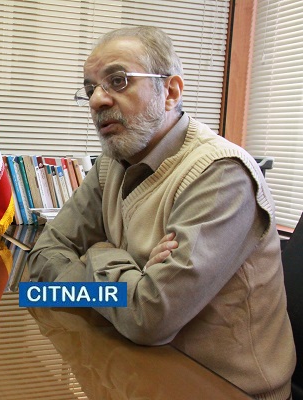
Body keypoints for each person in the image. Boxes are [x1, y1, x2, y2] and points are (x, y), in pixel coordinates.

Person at [28, 26, 295, 399]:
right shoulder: (112, 163)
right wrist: (128, 283)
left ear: (170, 92)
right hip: (134, 368)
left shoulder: (221, 173)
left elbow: (149, 318)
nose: (97, 100)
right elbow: (40, 267)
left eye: (118, 81)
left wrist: (98, 254)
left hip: (221, 387)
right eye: (90, 89)